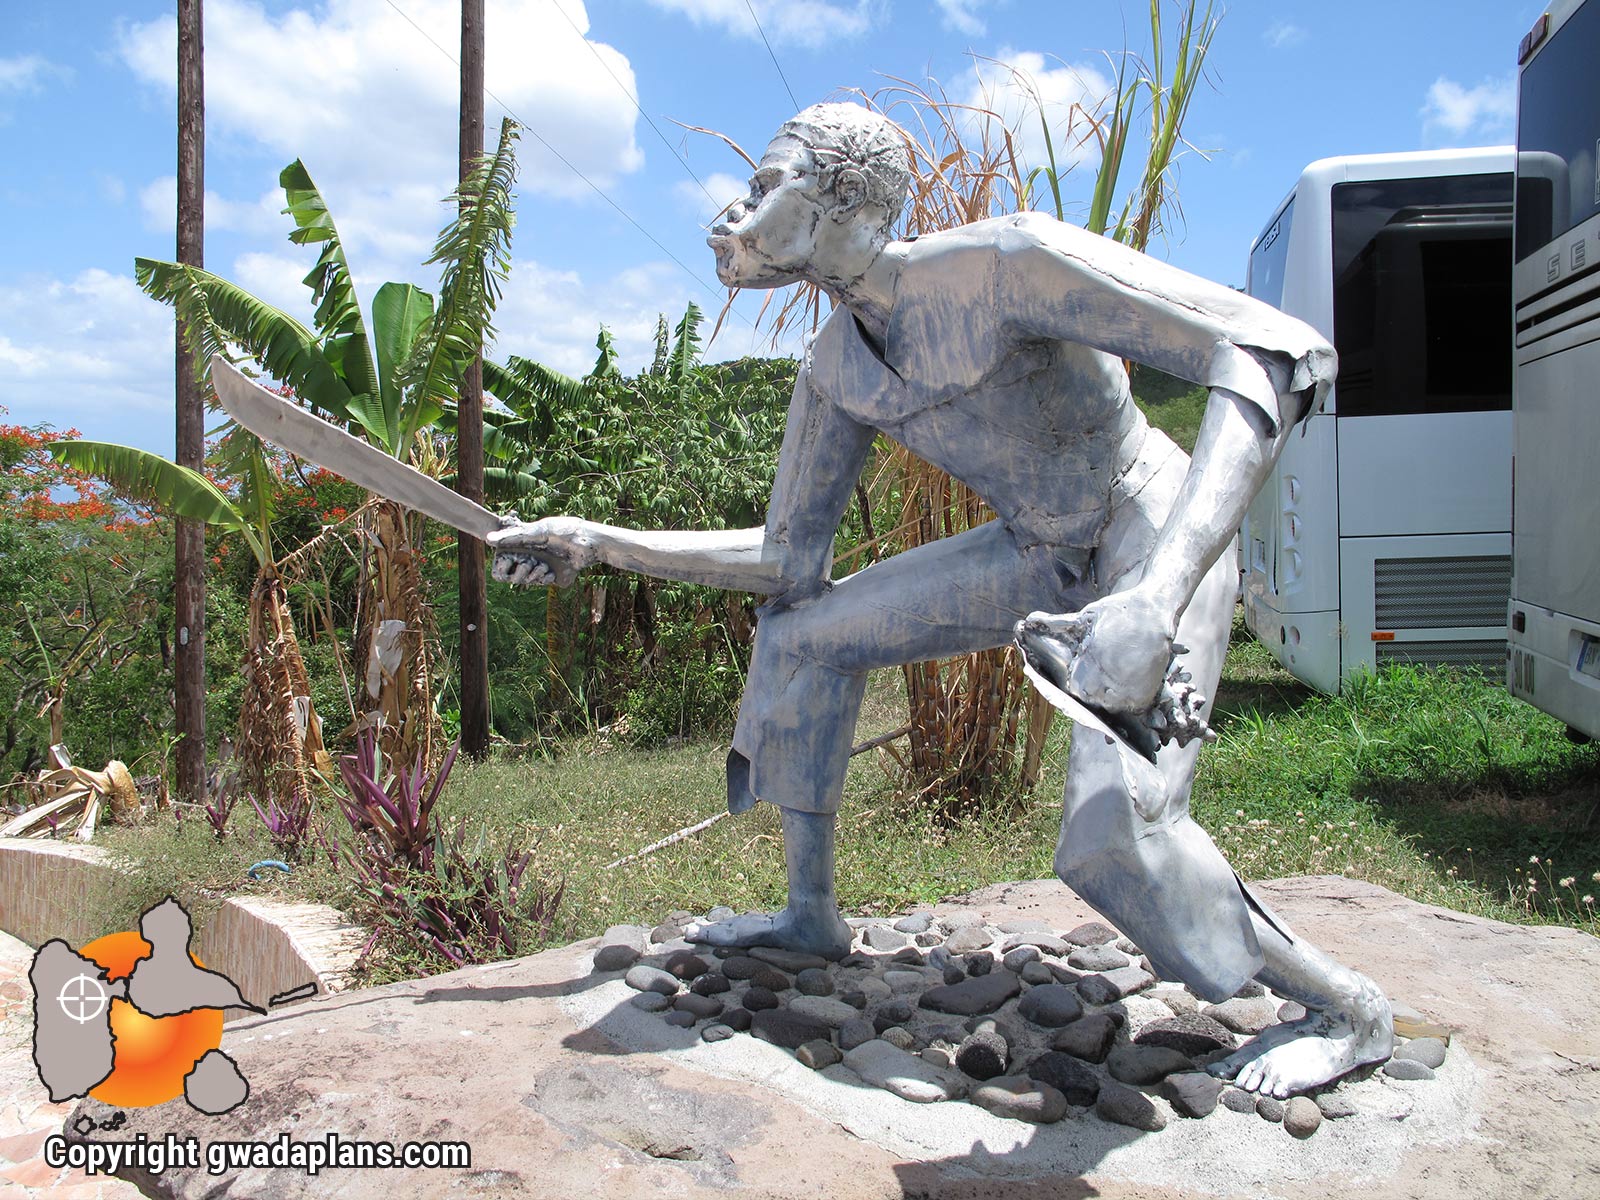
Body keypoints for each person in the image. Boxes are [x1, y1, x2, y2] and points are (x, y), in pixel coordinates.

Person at [488, 103, 1391, 1097]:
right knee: (803, 633)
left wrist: (1159, 599)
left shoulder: (1005, 263)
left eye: (764, 187)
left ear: (841, 200)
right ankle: (810, 915)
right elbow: (788, 561)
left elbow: (1270, 352)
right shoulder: (834, 366)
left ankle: (1350, 1012)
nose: (731, 213)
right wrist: (598, 543)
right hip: (1038, 553)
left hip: (1147, 534)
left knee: (1111, 838)